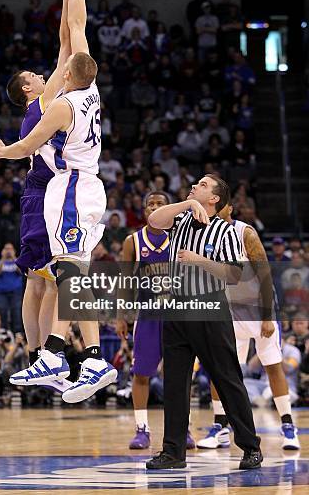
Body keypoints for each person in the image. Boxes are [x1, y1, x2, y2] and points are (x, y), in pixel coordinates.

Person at [0, 0, 117, 403]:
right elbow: (73, 33)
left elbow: (70, 32)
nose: (47, 72)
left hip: (67, 188)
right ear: (28, 88)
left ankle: (53, 355)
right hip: (55, 189)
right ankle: (51, 354)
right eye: (36, 74)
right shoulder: (52, 101)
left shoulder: (57, 103)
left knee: (52, 278)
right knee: (46, 278)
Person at [146, 175, 262, 471]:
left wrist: (199, 260)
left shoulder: (225, 231)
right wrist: (186, 202)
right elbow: (155, 220)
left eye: (201, 185)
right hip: (176, 307)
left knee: (227, 378)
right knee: (174, 382)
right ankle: (173, 452)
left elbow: (234, 275)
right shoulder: (182, 219)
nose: (194, 186)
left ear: (214, 199)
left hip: (209, 306)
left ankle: (251, 448)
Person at [197, 203, 300, 451]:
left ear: (229, 209)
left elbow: (265, 275)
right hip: (228, 310)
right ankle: (220, 427)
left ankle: (288, 427)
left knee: (273, 366)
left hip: (256, 308)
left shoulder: (245, 233)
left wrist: (267, 316)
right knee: (221, 369)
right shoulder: (204, 235)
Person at [116, 192, 196, 450]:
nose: (155, 207)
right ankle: (142, 429)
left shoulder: (181, 237)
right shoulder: (133, 242)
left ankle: (182, 429)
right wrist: (121, 315)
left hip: (177, 313)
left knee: (181, 375)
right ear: (144, 210)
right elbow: (125, 281)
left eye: (161, 204)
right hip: (148, 315)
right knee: (141, 373)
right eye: (150, 203)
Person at [0, 243, 23, 332]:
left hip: (15, 292)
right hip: (1, 293)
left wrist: (14, 258)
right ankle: (3, 334)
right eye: (6, 249)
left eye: (10, 249)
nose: (8, 251)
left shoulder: (18, 261)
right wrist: (3, 258)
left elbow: (21, 271)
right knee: (2, 313)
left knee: (16, 313)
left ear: (14, 251)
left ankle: (18, 335)